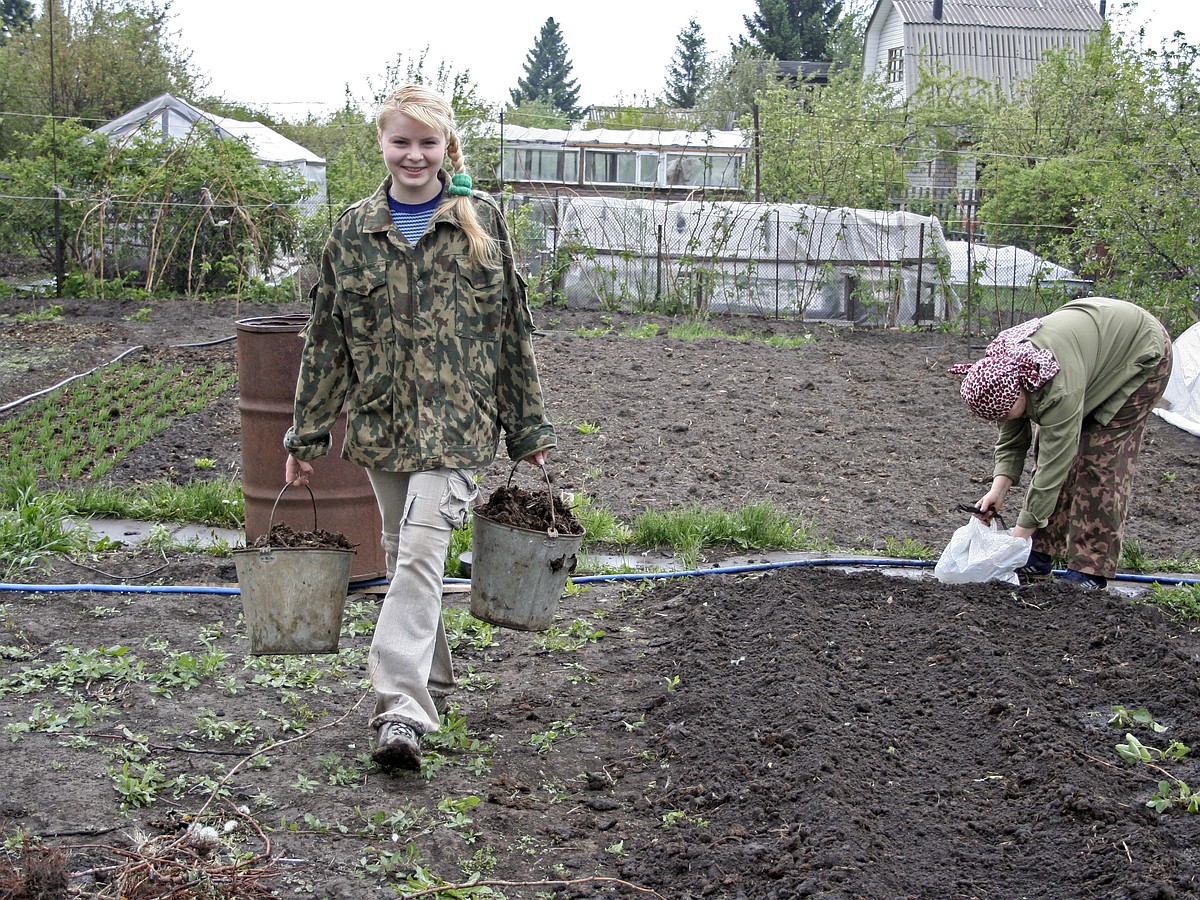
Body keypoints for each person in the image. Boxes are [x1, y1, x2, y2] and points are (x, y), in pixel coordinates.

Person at [282, 85, 556, 771]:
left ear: (445, 147)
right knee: (409, 549)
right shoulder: (352, 230)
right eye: (401, 141)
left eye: (426, 142)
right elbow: (327, 338)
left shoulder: (480, 220)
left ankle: (400, 709)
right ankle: (432, 675)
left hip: (460, 428)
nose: (413, 154)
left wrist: (527, 427)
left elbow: (510, 332)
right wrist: (306, 435)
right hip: (382, 426)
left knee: (421, 553)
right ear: (381, 144)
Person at [949, 297, 1172, 590]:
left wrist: (1016, 543)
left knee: (1097, 460)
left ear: (1019, 393)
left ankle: (1090, 570)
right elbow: (1012, 438)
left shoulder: (1056, 390)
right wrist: (997, 490)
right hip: (1090, 350)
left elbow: (1054, 468)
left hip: (1140, 353)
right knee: (1050, 450)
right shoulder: (1008, 371)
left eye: (1004, 413)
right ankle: (1039, 556)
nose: (1002, 419)